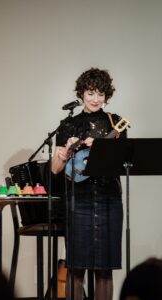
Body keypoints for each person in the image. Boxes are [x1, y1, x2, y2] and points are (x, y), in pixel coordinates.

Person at [51, 67, 127, 300]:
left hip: (108, 199)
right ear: (81, 93)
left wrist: (102, 148)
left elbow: (123, 165)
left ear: (107, 96)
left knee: (105, 269)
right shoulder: (68, 125)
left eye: (101, 94)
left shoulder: (116, 124)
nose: (96, 99)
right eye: (91, 93)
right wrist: (64, 154)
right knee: (76, 266)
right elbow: (55, 169)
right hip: (78, 200)